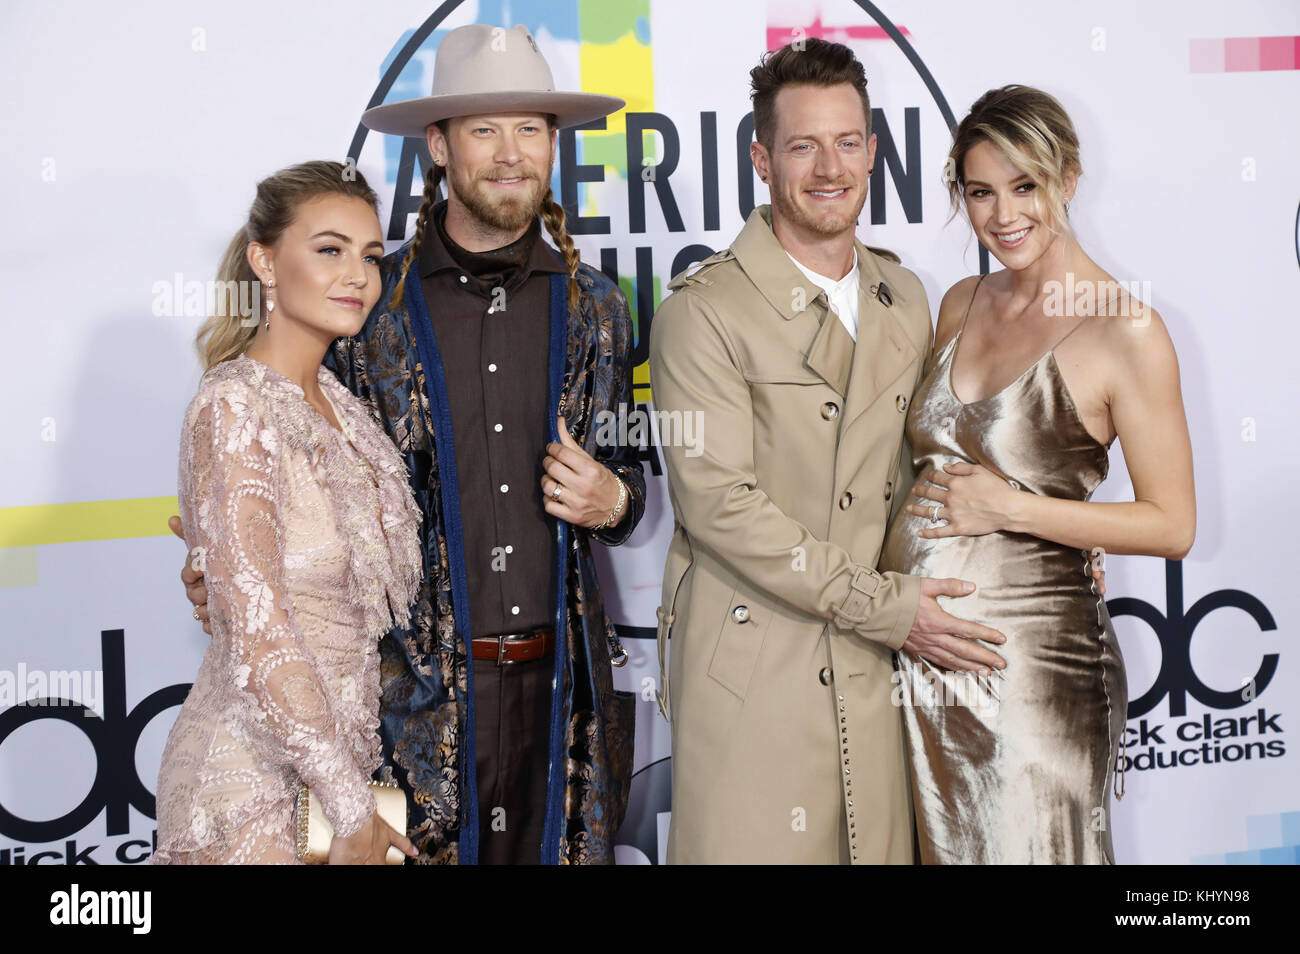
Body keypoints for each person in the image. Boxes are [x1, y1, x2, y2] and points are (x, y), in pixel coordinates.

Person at [173, 24, 644, 864]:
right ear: (438, 144)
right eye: (483, 129)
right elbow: (282, 486)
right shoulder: (363, 311)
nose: (510, 154)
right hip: (406, 707)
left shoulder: (598, 311)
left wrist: (616, 501)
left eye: (529, 128)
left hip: (562, 698)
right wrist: (223, 571)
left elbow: (630, 478)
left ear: (553, 144)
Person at [649, 38, 1012, 864]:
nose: (828, 167)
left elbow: (940, 460)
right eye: (802, 145)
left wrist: (1048, 541)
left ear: (874, 152)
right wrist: (892, 610)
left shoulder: (906, 296)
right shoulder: (702, 315)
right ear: (760, 158)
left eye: (848, 142)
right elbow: (721, 507)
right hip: (756, 673)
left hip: (881, 670)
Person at [879, 84, 1195, 864]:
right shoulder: (960, 301)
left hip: (1031, 672)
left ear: (1070, 179)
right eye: (980, 192)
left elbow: (1172, 523)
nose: (1003, 215)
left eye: (1026, 186)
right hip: (920, 660)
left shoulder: (1128, 330)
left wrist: (1016, 509)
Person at [153, 160, 422, 864]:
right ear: (264, 261)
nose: (358, 276)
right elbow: (259, 624)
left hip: (335, 787)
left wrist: (350, 797)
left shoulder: (349, 413)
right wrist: (350, 806)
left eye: (370, 256)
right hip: (248, 788)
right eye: (329, 250)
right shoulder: (234, 406)